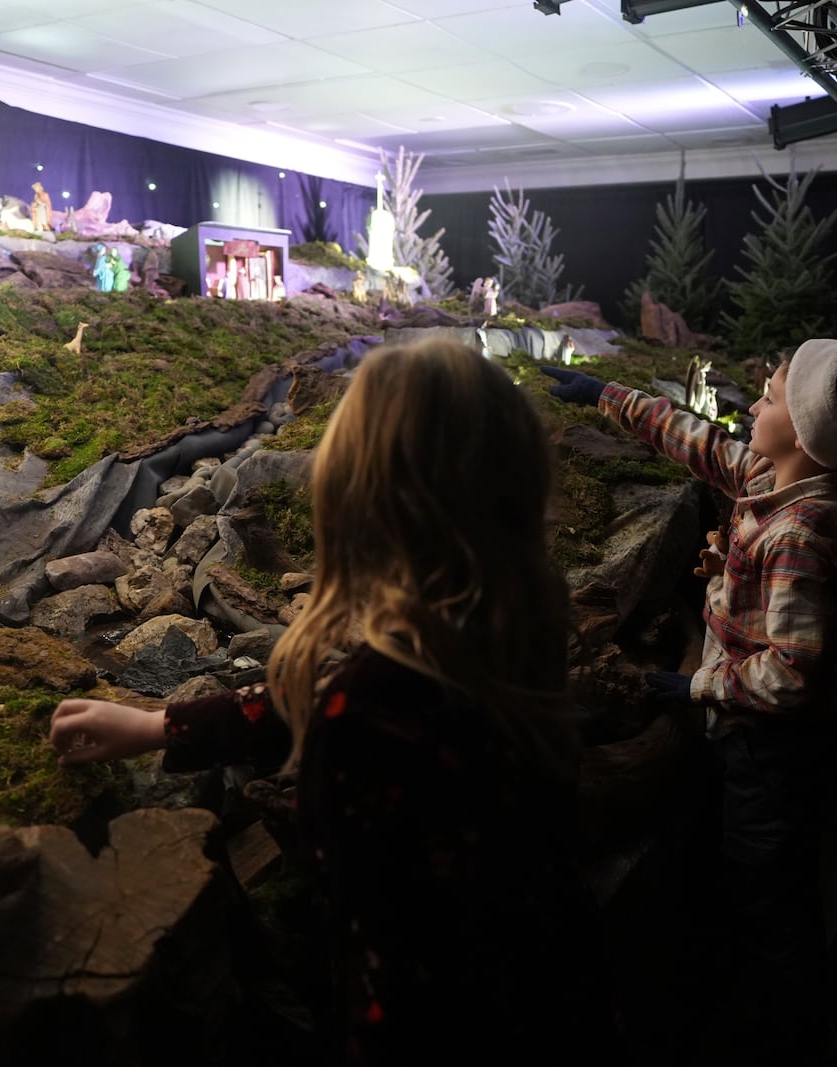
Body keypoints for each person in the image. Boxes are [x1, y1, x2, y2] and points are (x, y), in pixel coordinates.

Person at [51, 338, 619, 1065]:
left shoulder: (376, 703)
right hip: (563, 995)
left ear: (368, 499)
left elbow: (334, 722)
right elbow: (313, 698)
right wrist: (161, 724)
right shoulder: (511, 624)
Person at [542, 338, 837, 1063]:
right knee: (750, 872)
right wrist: (605, 396)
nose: (752, 404)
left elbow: (791, 675)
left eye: (772, 396)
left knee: (771, 892)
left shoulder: (802, 535)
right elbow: (699, 441)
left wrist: (692, 684)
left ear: (812, 433)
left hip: (774, 747)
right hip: (745, 735)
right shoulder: (767, 473)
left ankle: (800, 1032)